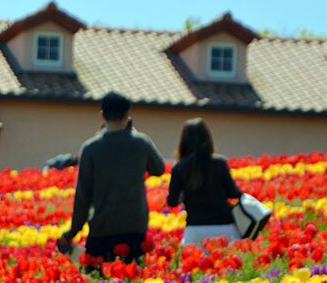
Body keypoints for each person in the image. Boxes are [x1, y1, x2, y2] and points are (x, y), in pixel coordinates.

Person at [58, 92, 165, 266]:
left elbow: (83, 197)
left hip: (102, 229)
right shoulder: (141, 143)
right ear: (127, 114)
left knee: (102, 280)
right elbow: (158, 169)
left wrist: (72, 232)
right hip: (135, 227)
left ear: (102, 115)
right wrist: (133, 134)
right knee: (133, 279)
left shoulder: (90, 148)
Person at [166, 118, 243, 248]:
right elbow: (234, 193)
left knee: (193, 260)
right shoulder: (220, 164)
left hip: (195, 228)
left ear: (183, 141)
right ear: (208, 139)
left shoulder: (179, 168)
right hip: (224, 227)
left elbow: (172, 201)